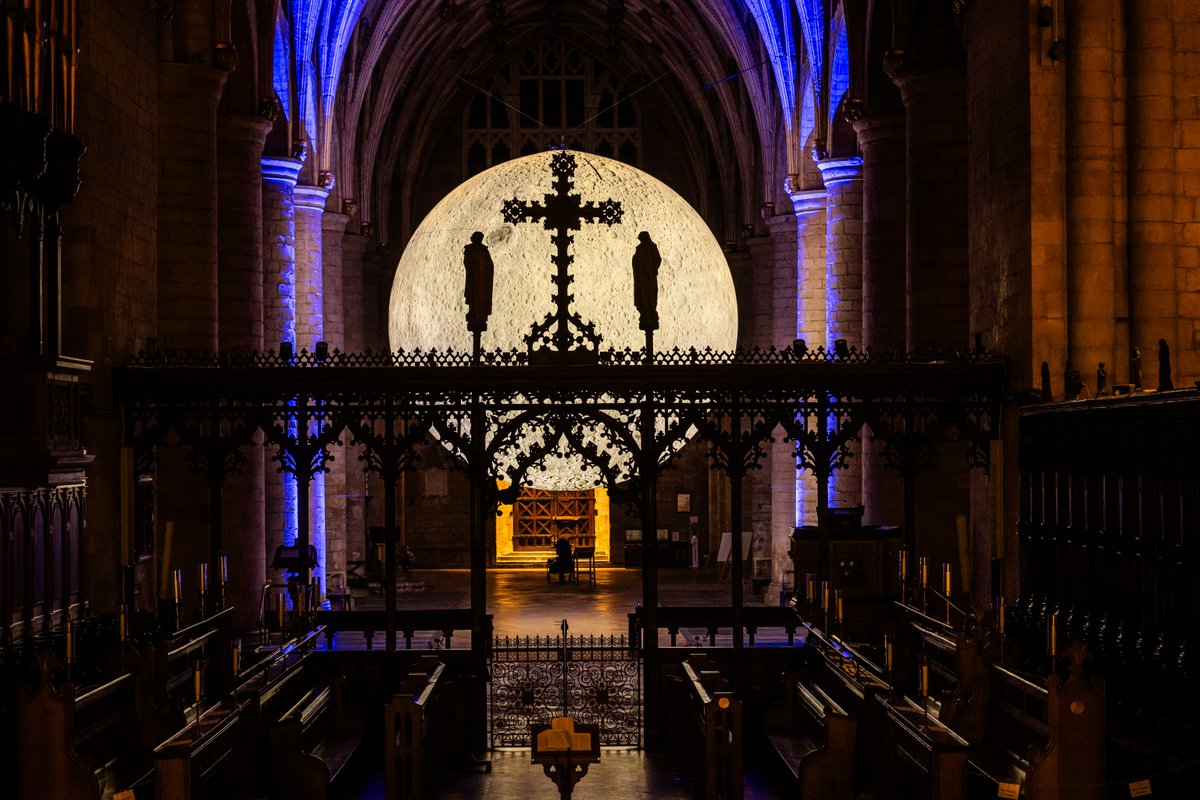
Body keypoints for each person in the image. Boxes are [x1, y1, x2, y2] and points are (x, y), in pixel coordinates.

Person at [463, 231, 494, 332]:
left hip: (481, 281)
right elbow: (467, 263)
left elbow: (489, 266)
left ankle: (479, 314)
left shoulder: (483, 250)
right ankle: (475, 313)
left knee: (479, 299)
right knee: (474, 298)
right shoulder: (472, 249)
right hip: (474, 279)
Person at [631, 231, 661, 332]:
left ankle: (650, 311)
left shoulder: (652, 248)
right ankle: (645, 311)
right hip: (642, 279)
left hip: (650, 278)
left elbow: (657, 259)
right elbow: (636, 262)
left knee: (650, 296)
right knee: (642, 296)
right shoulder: (639, 249)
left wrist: (651, 269)